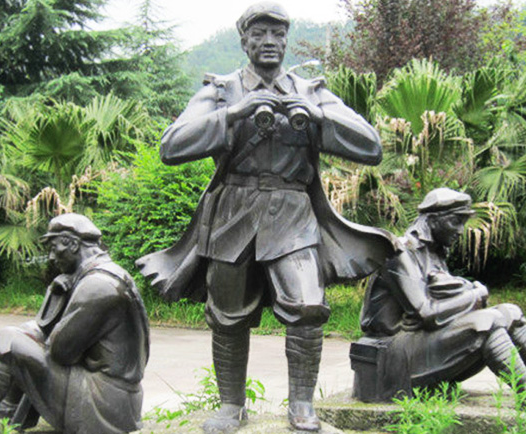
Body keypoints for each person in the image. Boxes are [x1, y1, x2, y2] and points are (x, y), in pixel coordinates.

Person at [136, 2, 394, 432]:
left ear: (287, 40)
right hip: (233, 213)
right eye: (259, 34)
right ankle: (231, 406)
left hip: (293, 213)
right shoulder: (222, 91)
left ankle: (302, 405)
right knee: (227, 313)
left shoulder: (310, 91)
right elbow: (171, 146)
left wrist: (319, 117)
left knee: (308, 305)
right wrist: (232, 114)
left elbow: (371, 146)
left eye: (277, 34)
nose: (269, 42)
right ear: (244, 41)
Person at [357, 188, 526, 413]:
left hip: (418, 338)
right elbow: (427, 312)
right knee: (486, 322)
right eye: (455, 221)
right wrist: (475, 295)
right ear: (432, 220)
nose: (460, 230)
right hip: (394, 355)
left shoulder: (433, 253)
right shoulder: (400, 254)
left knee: (510, 312)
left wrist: (465, 294)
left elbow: (439, 303)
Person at [0, 214, 150, 434]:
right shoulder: (106, 274)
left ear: (73, 244)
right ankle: (5, 415)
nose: (52, 257)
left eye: (54, 248)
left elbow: (61, 352)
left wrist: (58, 307)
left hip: (102, 403)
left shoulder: (97, 286)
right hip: (116, 399)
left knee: (7, 340)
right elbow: (43, 329)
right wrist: (56, 294)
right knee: (27, 332)